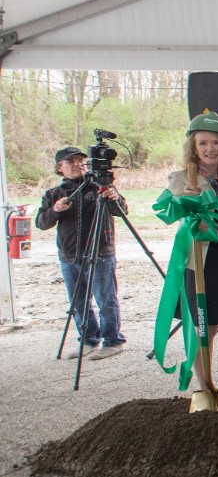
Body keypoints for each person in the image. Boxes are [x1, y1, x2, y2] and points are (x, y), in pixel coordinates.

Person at [168, 112, 218, 393]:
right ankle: (205, 385)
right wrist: (185, 202)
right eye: (203, 143)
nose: (210, 149)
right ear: (194, 147)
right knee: (205, 322)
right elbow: (173, 212)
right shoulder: (182, 180)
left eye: (216, 143)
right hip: (202, 259)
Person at [36, 147, 128, 360]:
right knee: (78, 301)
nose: (78, 164)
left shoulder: (99, 187)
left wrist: (113, 197)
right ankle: (88, 339)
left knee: (106, 299)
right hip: (69, 255)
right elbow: (41, 223)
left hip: (100, 252)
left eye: (81, 160)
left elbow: (122, 210)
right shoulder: (54, 194)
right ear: (60, 168)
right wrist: (55, 210)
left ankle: (113, 340)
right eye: (71, 161)